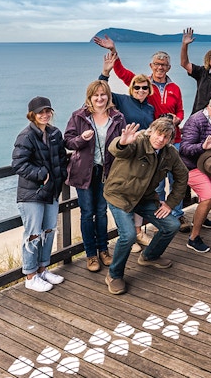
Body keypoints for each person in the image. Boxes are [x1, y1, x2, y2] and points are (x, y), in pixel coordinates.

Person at [93, 34, 189, 232]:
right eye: (157, 64)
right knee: (156, 183)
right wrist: (113, 50)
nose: (160, 67)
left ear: (168, 68)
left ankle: (176, 215)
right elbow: (122, 73)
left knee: (175, 178)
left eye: (164, 65)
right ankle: (158, 218)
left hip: (173, 139)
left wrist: (178, 119)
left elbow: (180, 110)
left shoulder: (175, 88)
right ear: (151, 65)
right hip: (149, 142)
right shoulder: (143, 83)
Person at [103, 118, 188, 295]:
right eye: (159, 134)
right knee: (128, 235)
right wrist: (121, 142)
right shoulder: (138, 142)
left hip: (145, 198)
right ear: (151, 131)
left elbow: (182, 176)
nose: (161, 139)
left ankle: (149, 256)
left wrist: (170, 203)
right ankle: (114, 275)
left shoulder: (169, 153)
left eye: (166, 137)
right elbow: (117, 149)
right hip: (120, 196)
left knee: (172, 225)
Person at [64, 80, 126, 272]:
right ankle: (91, 254)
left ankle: (103, 250)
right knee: (87, 213)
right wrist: (81, 139)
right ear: (89, 97)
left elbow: (123, 145)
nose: (99, 98)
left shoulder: (117, 117)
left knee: (101, 212)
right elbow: (67, 141)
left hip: (107, 172)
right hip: (84, 172)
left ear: (108, 96)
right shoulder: (79, 116)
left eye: (103, 94)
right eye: (95, 95)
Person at [99, 52, 156, 251]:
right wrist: (105, 72)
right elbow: (101, 93)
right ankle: (127, 235)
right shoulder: (122, 100)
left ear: (149, 90)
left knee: (140, 194)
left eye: (144, 87)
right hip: (125, 155)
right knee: (124, 194)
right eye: (137, 87)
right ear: (131, 88)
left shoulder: (149, 108)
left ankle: (138, 232)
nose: (141, 90)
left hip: (144, 157)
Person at [12, 96, 68, 292]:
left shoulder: (54, 133)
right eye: (40, 112)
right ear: (32, 115)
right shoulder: (26, 136)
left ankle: (43, 269)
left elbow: (61, 158)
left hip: (51, 191)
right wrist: (41, 174)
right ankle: (30, 275)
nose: (45, 115)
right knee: (33, 234)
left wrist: (60, 177)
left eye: (47, 111)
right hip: (31, 194)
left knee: (50, 231)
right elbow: (18, 164)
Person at [180, 95, 211, 253]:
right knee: (208, 197)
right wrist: (203, 146)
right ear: (208, 107)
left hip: (209, 164)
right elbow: (184, 148)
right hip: (191, 166)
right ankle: (193, 238)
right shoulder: (196, 120)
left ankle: (200, 217)